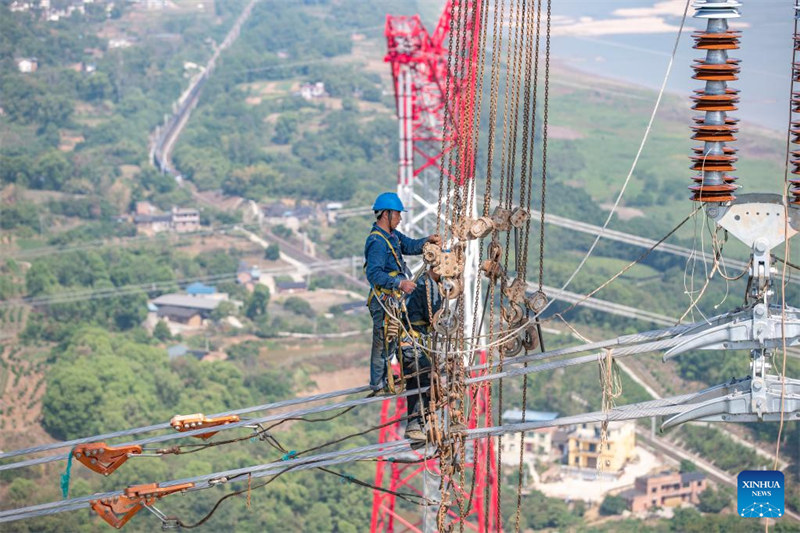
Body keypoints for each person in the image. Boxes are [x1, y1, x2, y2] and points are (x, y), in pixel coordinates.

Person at [364, 192, 440, 396]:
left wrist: (427, 242)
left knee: (391, 341)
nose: (400, 218)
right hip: (384, 300)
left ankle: (385, 379)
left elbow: (409, 245)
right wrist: (400, 283)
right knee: (383, 342)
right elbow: (373, 274)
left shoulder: (393, 237)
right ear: (385, 214)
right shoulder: (377, 242)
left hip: (394, 300)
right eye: (397, 214)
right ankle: (377, 384)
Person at [400, 267, 441, 441]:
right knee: (423, 376)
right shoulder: (428, 285)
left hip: (408, 342)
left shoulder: (421, 282)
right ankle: (416, 425)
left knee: (414, 381)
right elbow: (434, 316)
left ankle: (417, 428)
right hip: (412, 344)